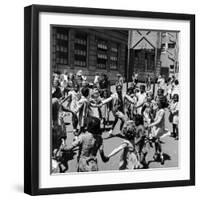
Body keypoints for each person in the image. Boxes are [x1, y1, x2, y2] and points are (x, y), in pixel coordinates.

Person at [148, 100, 167, 165]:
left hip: (159, 128)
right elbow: (153, 116)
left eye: (158, 102)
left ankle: (161, 155)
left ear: (161, 104)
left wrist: (151, 125)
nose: (157, 103)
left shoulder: (162, 111)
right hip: (155, 127)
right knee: (156, 140)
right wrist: (151, 109)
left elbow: (158, 121)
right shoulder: (158, 108)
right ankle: (157, 153)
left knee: (156, 140)